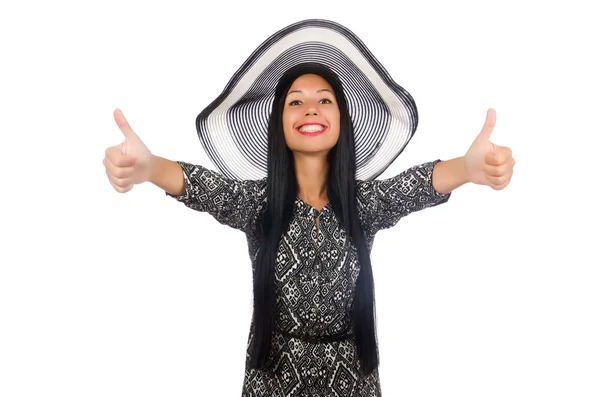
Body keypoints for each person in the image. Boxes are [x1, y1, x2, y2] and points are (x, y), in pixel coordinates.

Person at [103, 20, 514, 397]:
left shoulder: (363, 204)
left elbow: (414, 186)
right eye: (295, 102)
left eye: (325, 100)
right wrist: (148, 166)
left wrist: (468, 167)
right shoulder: (258, 204)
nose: (311, 109)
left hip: (355, 380)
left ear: (342, 120)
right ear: (279, 122)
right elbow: (202, 186)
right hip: (270, 380)